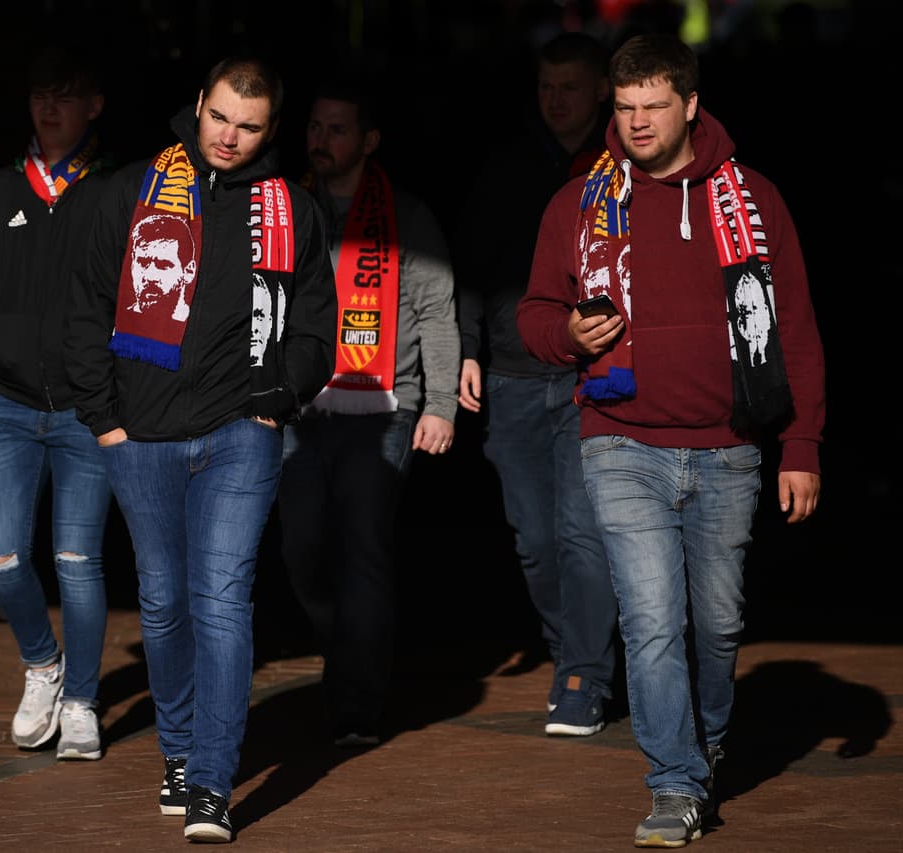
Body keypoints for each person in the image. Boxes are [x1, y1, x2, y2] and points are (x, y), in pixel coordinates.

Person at [518, 33, 825, 847]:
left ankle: (707, 740)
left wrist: (802, 445)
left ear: (691, 105)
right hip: (619, 438)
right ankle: (675, 781)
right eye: (624, 109)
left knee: (717, 623)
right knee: (652, 618)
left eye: (655, 106)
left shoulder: (752, 200)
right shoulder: (581, 203)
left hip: (729, 446)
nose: (638, 122)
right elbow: (534, 312)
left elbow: (793, 327)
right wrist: (569, 336)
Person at [63, 56, 336, 843]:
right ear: (198, 108)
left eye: (249, 127)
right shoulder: (131, 193)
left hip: (238, 437)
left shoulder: (294, 211)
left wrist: (275, 401)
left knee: (221, 600)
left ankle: (212, 781)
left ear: (272, 131)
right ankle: (179, 751)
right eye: (220, 118)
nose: (230, 137)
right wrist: (105, 422)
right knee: (162, 601)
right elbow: (82, 309)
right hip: (138, 438)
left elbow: (317, 325)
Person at [278, 79, 459, 748]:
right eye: (315, 127)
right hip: (301, 409)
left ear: (369, 140)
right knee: (301, 545)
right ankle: (346, 642)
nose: (321, 141)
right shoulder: (285, 209)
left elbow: (437, 313)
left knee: (363, 543)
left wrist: (440, 405)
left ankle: (357, 705)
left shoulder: (407, 215)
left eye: (337, 129)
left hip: (386, 410)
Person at [0, 45, 113, 761]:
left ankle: (80, 699)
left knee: (77, 559)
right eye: (41, 93)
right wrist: (5, 339)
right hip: (8, 405)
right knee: (4, 558)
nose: (50, 107)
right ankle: (43, 667)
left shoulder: (115, 191)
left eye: (67, 93)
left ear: (94, 105)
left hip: (86, 410)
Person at [454, 30, 619, 737]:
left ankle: (584, 672)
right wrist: (465, 347)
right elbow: (465, 264)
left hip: (595, 377)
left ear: (601, 91)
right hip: (515, 374)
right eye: (546, 87)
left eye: (570, 87)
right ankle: (571, 649)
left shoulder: (623, 167)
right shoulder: (507, 166)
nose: (556, 100)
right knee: (535, 538)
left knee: (585, 534)